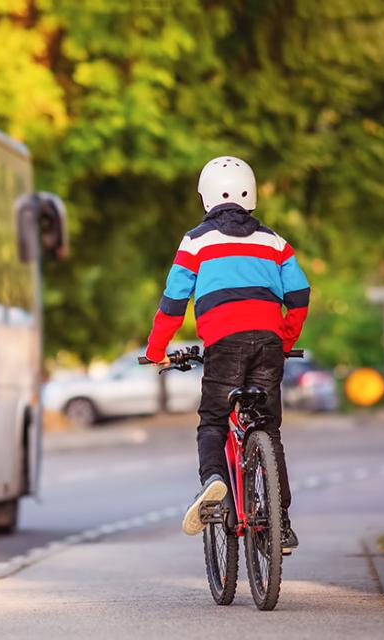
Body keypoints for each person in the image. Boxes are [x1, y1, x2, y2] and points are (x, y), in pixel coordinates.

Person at [145, 156, 310, 552]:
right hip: (269, 342)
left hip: (224, 343)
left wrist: (156, 351)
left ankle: (214, 480)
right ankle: (280, 524)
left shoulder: (196, 241)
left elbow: (173, 302)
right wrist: (284, 341)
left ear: (205, 197)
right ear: (250, 195)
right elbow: (300, 296)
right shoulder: (274, 242)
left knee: (213, 421)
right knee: (268, 429)